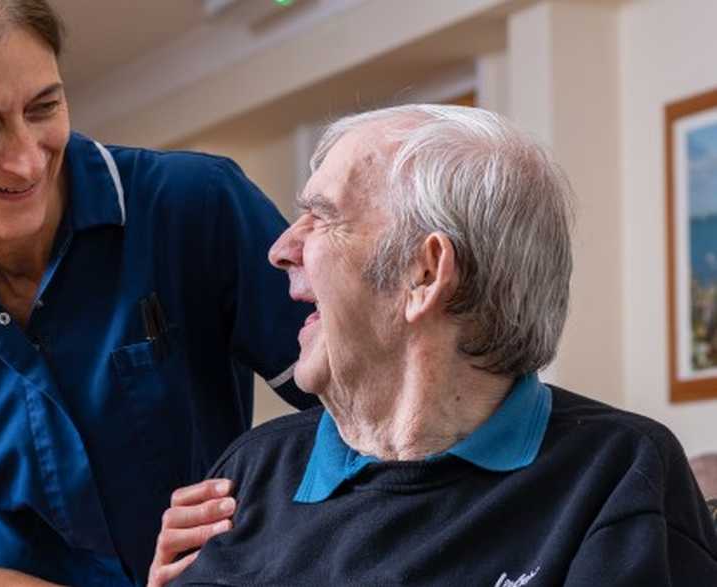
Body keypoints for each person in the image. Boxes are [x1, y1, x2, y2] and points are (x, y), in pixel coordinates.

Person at [0, 1, 315, 585]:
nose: (27, 159)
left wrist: (271, 519)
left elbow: (375, 411)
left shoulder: (196, 203)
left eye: (44, 107)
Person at [151, 104, 717, 586]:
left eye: (320, 218)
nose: (280, 249)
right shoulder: (252, 471)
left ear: (425, 273)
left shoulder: (617, 474)